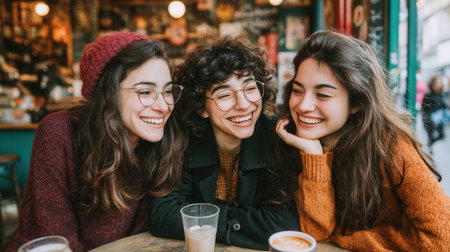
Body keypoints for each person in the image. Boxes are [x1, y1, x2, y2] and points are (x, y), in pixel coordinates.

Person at [4, 31, 187, 251]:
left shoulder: (162, 142)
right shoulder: (58, 132)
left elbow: (144, 238)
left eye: (168, 91)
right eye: (146, 92)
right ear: (108, 94)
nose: (163, 105)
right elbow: (55, 238)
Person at [275, 30, 450, 251]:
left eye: (323, 95)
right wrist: (314, 157)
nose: (302, 105)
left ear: (356, 102)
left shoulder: (391, 147)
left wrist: (347, 238)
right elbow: (316, 234)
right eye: (298, 90)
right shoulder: (295, 141)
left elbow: (442, 239)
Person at [149, 37, 299, 250]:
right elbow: (163, 214)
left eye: (250, 88)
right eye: (225, 95)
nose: (244, 104)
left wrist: (204, 220)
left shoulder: (276, 139)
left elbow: (284, 223)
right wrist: (248, 224)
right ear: (201, 107)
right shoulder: (183, 141)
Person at [422, 74, 450, 150]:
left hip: (440, 119)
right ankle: (431, 144)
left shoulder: (442, 94)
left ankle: (432, 143)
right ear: (432, 83)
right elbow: (424, 109)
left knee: (442, 136)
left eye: (439, 83)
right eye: (436, 83)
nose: (437, 85)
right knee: (431, 135)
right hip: (430, 119)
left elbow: (445, 106)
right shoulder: (428, 95)